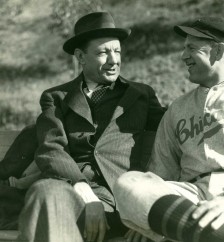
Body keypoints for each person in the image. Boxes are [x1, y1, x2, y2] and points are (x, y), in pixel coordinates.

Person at [113, 16, 224, 242]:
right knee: (128, 184)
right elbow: (159, 176)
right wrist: (148, 213)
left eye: (191, 48)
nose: (183, 56)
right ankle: (211, 234)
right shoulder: (176, 110)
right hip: (194, 199)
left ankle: (205, 233)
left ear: (218, 52)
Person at [17, 11, 165, 242]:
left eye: (117, 51)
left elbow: (172, 132)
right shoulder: (56, 97)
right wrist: (85, 193)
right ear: (80, 56)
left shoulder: (141, 95)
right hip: (76, 195)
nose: (113, 60)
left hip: (124, 200)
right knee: (45, 191)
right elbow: (51, 149)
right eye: (103, 52)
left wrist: (148, 208)